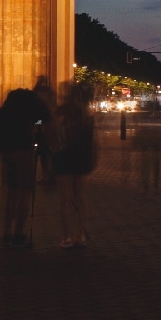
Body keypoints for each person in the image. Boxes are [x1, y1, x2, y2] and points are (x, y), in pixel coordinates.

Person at [0, 86, 50, 247]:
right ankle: (19, 233)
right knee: (24, 193)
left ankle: (6, 231)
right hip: (24, 153)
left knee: (11, 193)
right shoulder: (27, 114)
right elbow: (42, 119)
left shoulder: (0, 113)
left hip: (6, 154)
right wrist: (36, 125)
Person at [52, 79, 98, 249]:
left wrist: (37, 123)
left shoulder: (59, 112)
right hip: (82, 158)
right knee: (80, 198)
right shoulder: (85, 114)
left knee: (65, 199)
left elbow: (46, 126)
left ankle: (66, 236)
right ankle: (80, 234)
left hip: (64, 158)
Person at [33, 74, 60, 185]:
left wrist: (36, 125)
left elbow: (35, 108)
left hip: (41, 122)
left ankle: (46, 175)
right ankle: (52, 175)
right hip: (49, 122)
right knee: (50, 152)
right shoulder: (50, 92)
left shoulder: (36, 91)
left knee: (43, 152)